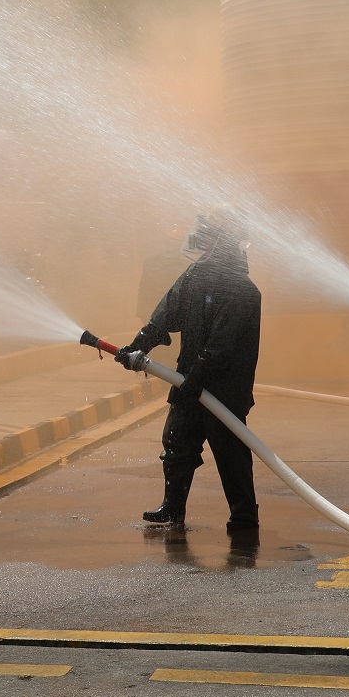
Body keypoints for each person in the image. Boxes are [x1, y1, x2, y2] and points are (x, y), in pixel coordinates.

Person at [117, 210, 263, 534]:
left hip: (225, 388)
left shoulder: (244, 291)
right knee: (176, 442)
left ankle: (244, 516)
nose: (199, 240)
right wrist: (139, 344)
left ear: (223, 241)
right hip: (189, 381)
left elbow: (224, 345)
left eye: (208, 234)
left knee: (230, 451)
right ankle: (172, 508)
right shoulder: (195, 276)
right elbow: (166, 315)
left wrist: (197, 376)